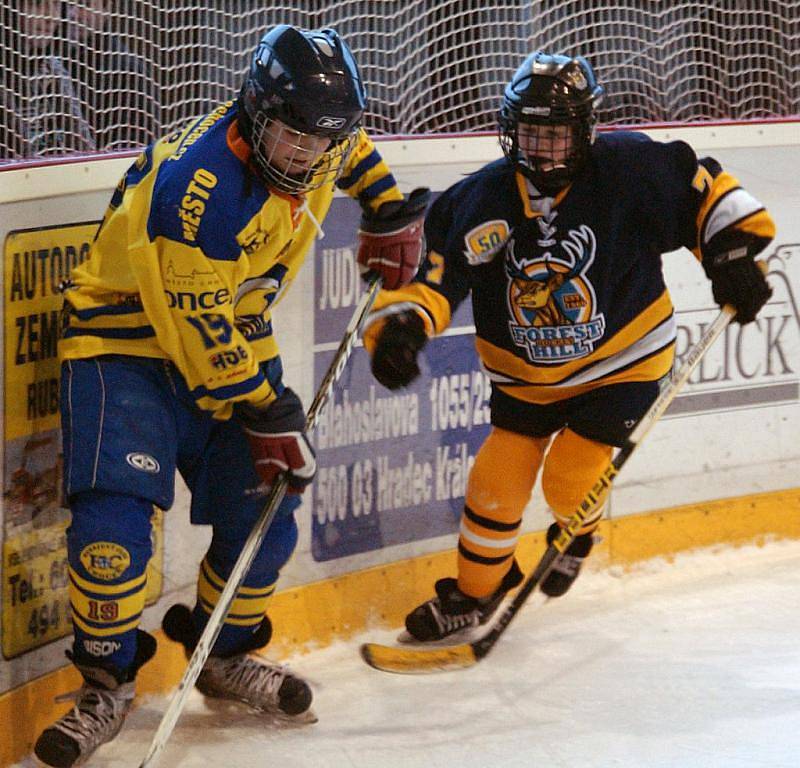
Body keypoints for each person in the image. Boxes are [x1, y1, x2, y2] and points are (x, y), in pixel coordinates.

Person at [34, 25, 429, 767]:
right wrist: (261, 403)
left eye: (320, 144)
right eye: (292, 142)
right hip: (125, 350)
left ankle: (220, 655)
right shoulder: (200, 186)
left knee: (267, 514)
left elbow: (349, 147)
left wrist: (383, 206)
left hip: (224, 340)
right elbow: (195, 322)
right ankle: (106, 682)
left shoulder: (312, 133)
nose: (306, 160)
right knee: (112, 536)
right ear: (254, 112)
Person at [361, 51, 774, 642]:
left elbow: (705, 193)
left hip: (623, 363)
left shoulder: (630, 169)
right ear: (511, 131)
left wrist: (732, 252)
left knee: (571, 477)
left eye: (557, 134)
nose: (544, 148)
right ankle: (478, 593)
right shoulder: (477, 200)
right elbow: (434, 279)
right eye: (532, 132)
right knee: (495, 480)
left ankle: (577, 533)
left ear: (584, 130)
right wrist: (403, 328)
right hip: (525, 379)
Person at [0, 1, 95, 159]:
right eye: (36, 4)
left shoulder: (52, 67)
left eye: (56, 5)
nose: (51, 16)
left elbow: (84, 149)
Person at [67, 0, 159, 151]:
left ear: (107, 9)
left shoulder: (127, 69)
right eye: (71, 6)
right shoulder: (62, 59)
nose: (74, 14)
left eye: (85, 4)